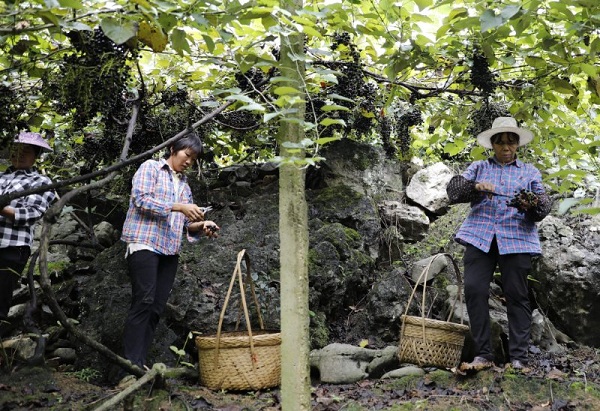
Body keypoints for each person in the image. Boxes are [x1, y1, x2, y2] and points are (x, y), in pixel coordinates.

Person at [446, 116, 552, 371]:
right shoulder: (480, 167)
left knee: (517, 295)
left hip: (517, 238)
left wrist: (531, 204)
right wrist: (476, 187)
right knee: (474, 290)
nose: (506, 147)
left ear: (517, 145)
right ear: (492, 144)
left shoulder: (530, 172)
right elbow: (454, 190)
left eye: (511, 142)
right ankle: (483, 355)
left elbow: (544, 206)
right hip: (480, 236)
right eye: (500, 142)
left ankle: (518, 358)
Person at [119, 133, 219, 383]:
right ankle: (129, 367)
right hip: (144, 242)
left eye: (194, 159)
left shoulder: (185, 186)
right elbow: (141, 200)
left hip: (169, 250)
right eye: (187, 155)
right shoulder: (150, 168)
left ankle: (139, 364)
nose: (189, 162)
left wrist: (203, 225)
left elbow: (187, 224)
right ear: (174, 149)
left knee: (156, 307)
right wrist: (179, 206)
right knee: (143, 300)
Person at [0, 132, 55, 334]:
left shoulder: (41, 182)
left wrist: (2, 209)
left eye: (27, 151)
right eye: (16, 150)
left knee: (1, 295)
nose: (21, 154)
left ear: (36, 155)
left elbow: (30, 214)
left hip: (12, 246)